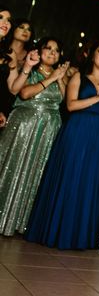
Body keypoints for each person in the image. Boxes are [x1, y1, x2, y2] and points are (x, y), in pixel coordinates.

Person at [25, 42, 99, 249]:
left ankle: (78, 235)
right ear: (92, 56)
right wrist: (98, 97)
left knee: (90, 181)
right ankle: (55, 231)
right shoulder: (79, 77)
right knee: (69, 176)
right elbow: (70, 105)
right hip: (76, 131)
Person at [0, 38, 64, 236]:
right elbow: (25, 93)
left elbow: (65, 100)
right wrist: (52, 78)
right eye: (48, 48)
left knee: (34, 172)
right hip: (25, 127)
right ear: (39, 51)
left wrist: (60, 78)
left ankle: (21, 222)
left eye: (57, 50)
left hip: (47, 131)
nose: (52, 52)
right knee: (14, 168)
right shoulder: (30, 70)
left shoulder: (61, 75)